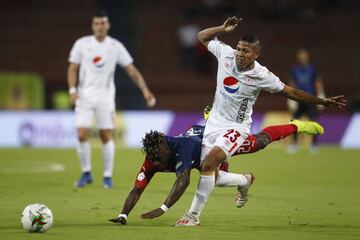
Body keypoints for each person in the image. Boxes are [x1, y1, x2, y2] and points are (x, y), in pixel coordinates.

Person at [171, 16, 345, 226]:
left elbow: (290, 91)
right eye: (239, 48)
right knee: (212, 175)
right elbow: (201, 37)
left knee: (209, 163)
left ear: (256, 54)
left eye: (246, 51)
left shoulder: (262, 75)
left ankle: (192, 216)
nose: (240, 54)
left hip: (236, 128)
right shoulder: (226, 54)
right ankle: (244, 180)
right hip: (214, 125)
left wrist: (321, 101)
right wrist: (222, 29)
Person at [108, 117, 324, 225]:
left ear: (166, 145)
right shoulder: (154, 156)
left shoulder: (181, 148)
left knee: (261, 141)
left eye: (158, 157)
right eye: (152, 158)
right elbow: (137, 188)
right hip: (203, 154)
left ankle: (296, 126)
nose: (156, 162)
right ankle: (245, 180)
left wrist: (163, 209)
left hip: (218, 141)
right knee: (215, 177)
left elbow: (183, 181)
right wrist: (123, 214)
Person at [67, 11, 156, 189]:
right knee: (81, 134)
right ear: (93, 26)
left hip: (105, 97)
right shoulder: (82, 44)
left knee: (106, 135)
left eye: (103, 23)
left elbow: (131, 70)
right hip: (84, 96)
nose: (100, 26)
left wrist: (145, 90)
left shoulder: (115, 46)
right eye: (97, 23)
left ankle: (107, 176)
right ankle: (86, 173)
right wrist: (72, 90)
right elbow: (72, 68)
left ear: (108, 25)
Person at [287, 48, 326, 153]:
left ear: (307, 58)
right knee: (295, 121)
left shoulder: (313, 69)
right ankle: (294, 144)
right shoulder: (294, 70)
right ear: (298, 58)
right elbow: (292, 84)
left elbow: (318, 82)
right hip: (298, 98)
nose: (302, 58)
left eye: (304, 57)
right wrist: (291, 100)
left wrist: (320, 96)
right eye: (300, 57)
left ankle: (314, 145)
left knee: (313, 121)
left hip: (310, 98)